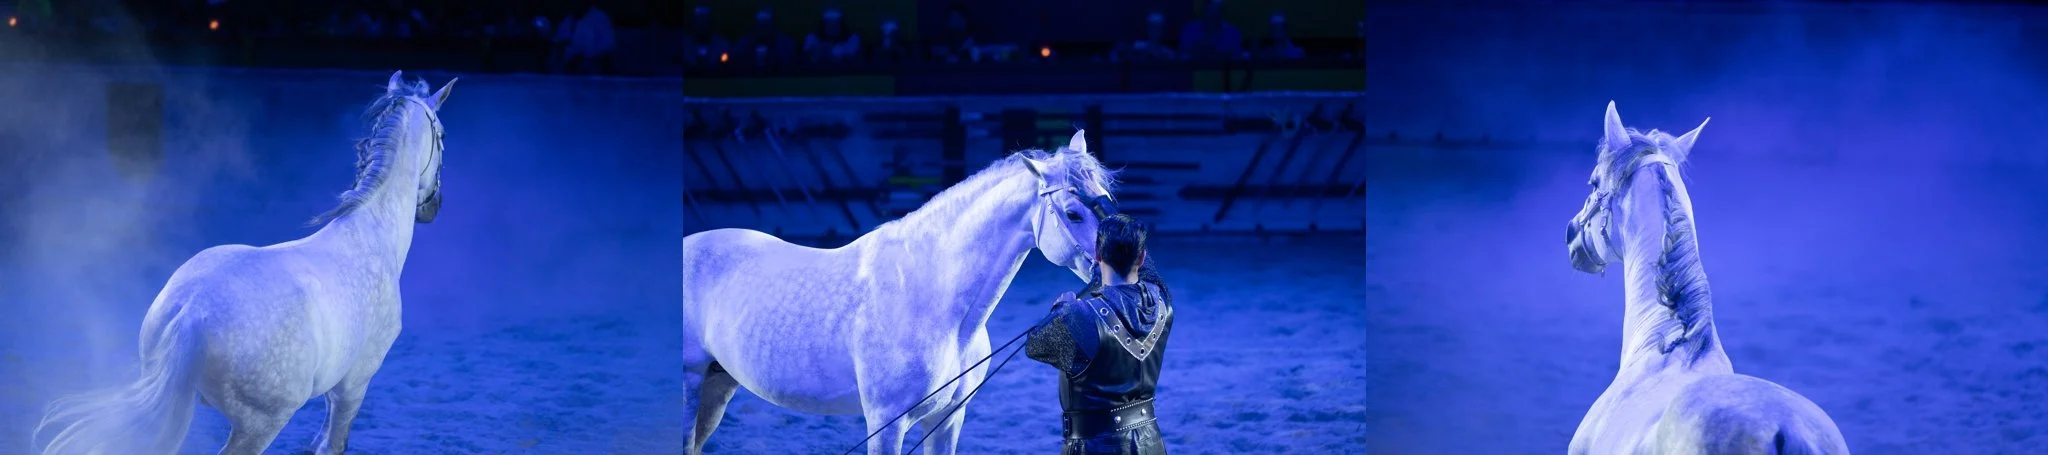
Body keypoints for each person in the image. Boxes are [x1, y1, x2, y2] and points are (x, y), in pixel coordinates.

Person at [1025, 214, 1174, 455]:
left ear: (1097, 255)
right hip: (1150, 443)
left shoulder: (1078, 315)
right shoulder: (1161, 303)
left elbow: (1035, 345)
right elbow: (1150, 274)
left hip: (1095, 446)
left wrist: (1062, 308)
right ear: (1142, 256)